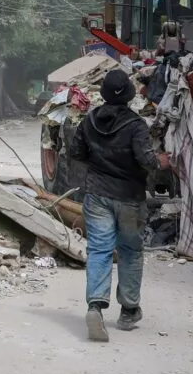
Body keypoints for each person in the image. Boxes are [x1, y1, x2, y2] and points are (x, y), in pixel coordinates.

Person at [69, 69, 170, 342]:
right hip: (130, 199)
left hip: (97, 196)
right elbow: (147, 161)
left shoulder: (88, 121)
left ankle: (95, 307)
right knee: (130, 252)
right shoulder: (136, 125)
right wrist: (164, 161)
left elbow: (76, 153)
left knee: (100, 251)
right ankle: (128, 311)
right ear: (128, 95)